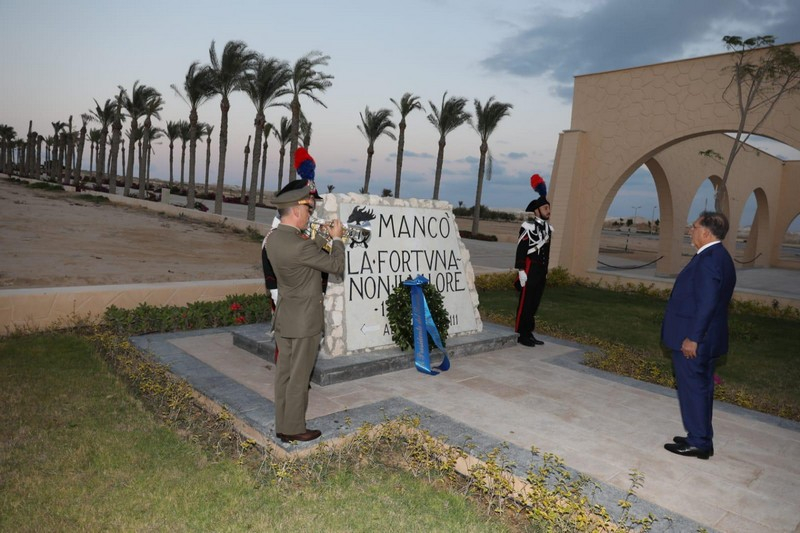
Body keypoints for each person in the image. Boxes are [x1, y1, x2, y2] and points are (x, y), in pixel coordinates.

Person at [265, 177, 344, 443]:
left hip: (286, 317)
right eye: (309, 210)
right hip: (304, 322)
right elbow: (336, 266)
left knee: (284, 375)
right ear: (297, 210)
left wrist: (321, 234)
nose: (310, 214)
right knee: (299, 377)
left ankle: (282, 424)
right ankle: (295, 428)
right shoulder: (300, 246)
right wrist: (337, 239)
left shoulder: (274, 240)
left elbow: (308, 249)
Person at [661, 211, 736, 459]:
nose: (690, 230)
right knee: (701, 389)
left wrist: (693, 338)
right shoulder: (719, 256)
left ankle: (698, 442)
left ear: (705, 232)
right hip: (706, 338)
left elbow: (707, 303)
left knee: (693, 388)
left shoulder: (709, 260)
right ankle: (701, 436)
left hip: (694, 340)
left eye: (693, 227)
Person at [514, 174, 553, 347]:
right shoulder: (527, 226)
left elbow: (547, 251)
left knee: (535, 302)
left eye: (548, 208)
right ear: (537, 211)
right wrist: (521, 270)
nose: (548, 211)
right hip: (529, 268)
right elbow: (521, 249)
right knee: (526, 302)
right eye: (545, 208)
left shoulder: (549, 229)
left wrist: (545, 270)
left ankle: (529, 331)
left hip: (540, 270)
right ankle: (522, 334)